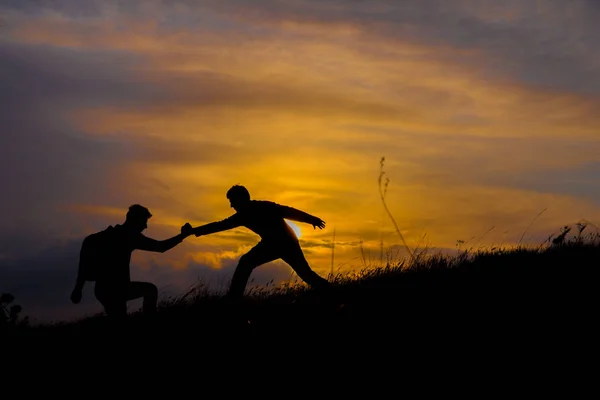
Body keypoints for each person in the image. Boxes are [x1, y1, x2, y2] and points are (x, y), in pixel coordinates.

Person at [189, 185, 331, 299]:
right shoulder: (242, 216)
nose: (231, 205)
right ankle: (234, 298)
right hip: (272, 244)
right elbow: (219, 225)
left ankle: (333, 292)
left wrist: (311, 219)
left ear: (241, 199)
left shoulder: (264, 206)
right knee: (246, 262)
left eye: (232, 201)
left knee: (306, 274)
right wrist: (194, 231)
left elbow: (288, 211)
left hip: (286, 243)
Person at [70, 204, 194, 321]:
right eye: (144, 222)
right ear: (134, 221)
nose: (145, 227)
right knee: (150, 290)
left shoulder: (95, 238)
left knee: (119, 318)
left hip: (102, 290)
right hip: (118, 289)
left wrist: (78, 288)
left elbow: (83, 267)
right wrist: (182, 236)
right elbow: (161, 247)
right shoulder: (130, 236)